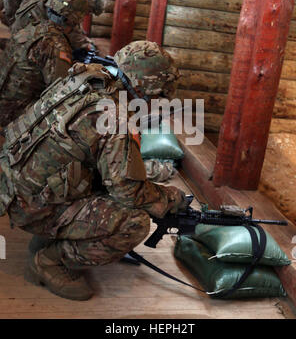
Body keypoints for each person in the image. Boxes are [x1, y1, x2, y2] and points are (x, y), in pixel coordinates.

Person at [0, 41, 187, 301]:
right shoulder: (116, 118)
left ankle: (47, 233)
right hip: (30, 202)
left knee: (101, 181)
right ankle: (49, 262)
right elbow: (129, 192)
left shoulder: (84, 77)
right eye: (159, 96)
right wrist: (168, 198)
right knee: (134, 222)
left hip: (13, 181)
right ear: (148, 89)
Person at [0, 0, 89, 128]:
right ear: (72, 21)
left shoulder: (30, 28)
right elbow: (61, 91)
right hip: (12, 114)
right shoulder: (56, 45)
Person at [11, 0, 106, 51]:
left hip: (24, 25)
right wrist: (86, 45)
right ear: (89, 5)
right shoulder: (73, 4)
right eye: (90, 11)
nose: (87, 14)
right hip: (24, 33)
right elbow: (70, 32)